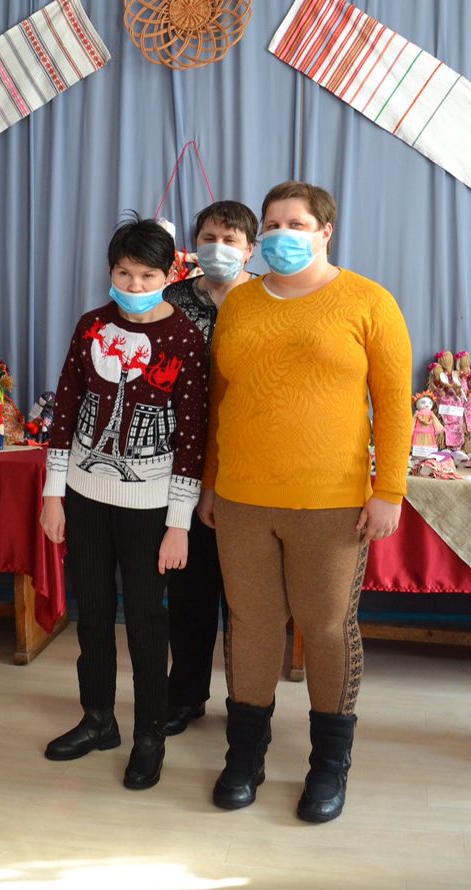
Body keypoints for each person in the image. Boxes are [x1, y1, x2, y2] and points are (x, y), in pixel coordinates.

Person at [197, 181, 413, 823]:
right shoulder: (240, 303)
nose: (281, 234)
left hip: (331, 504)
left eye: (296, 223)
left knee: (325, 629)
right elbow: (220, 400)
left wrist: (389, 490)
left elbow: (394, 405)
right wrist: (209, 480)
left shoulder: (369, 301)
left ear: (325, 232)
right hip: (242, 499)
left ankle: (329, 765)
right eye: (271, 224)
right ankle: (245, 756)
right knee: (250, 626)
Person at [39, 216, 209, 791]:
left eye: (146, 276)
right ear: (110, 272)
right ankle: (98, 719)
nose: (133, 286)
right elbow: (66, 409)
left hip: (151, 506)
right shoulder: (91, 325)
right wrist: (54, 494)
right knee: (90, 612)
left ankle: (149, 734)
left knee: (144, 620)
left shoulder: (185, 339)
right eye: (123, 273)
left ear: (169, 275)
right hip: (84, 495)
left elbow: (192, 437)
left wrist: (179, 524)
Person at [160, 199, 258, 736]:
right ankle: (185, 696)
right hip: (181, 466)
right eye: (208, 238)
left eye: (230, 239)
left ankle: (248, 704)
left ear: (250, 249)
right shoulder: (172, 299)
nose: (218, 248)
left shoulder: (269, 298)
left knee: (249, 602)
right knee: (189, 593)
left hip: (248, 467)